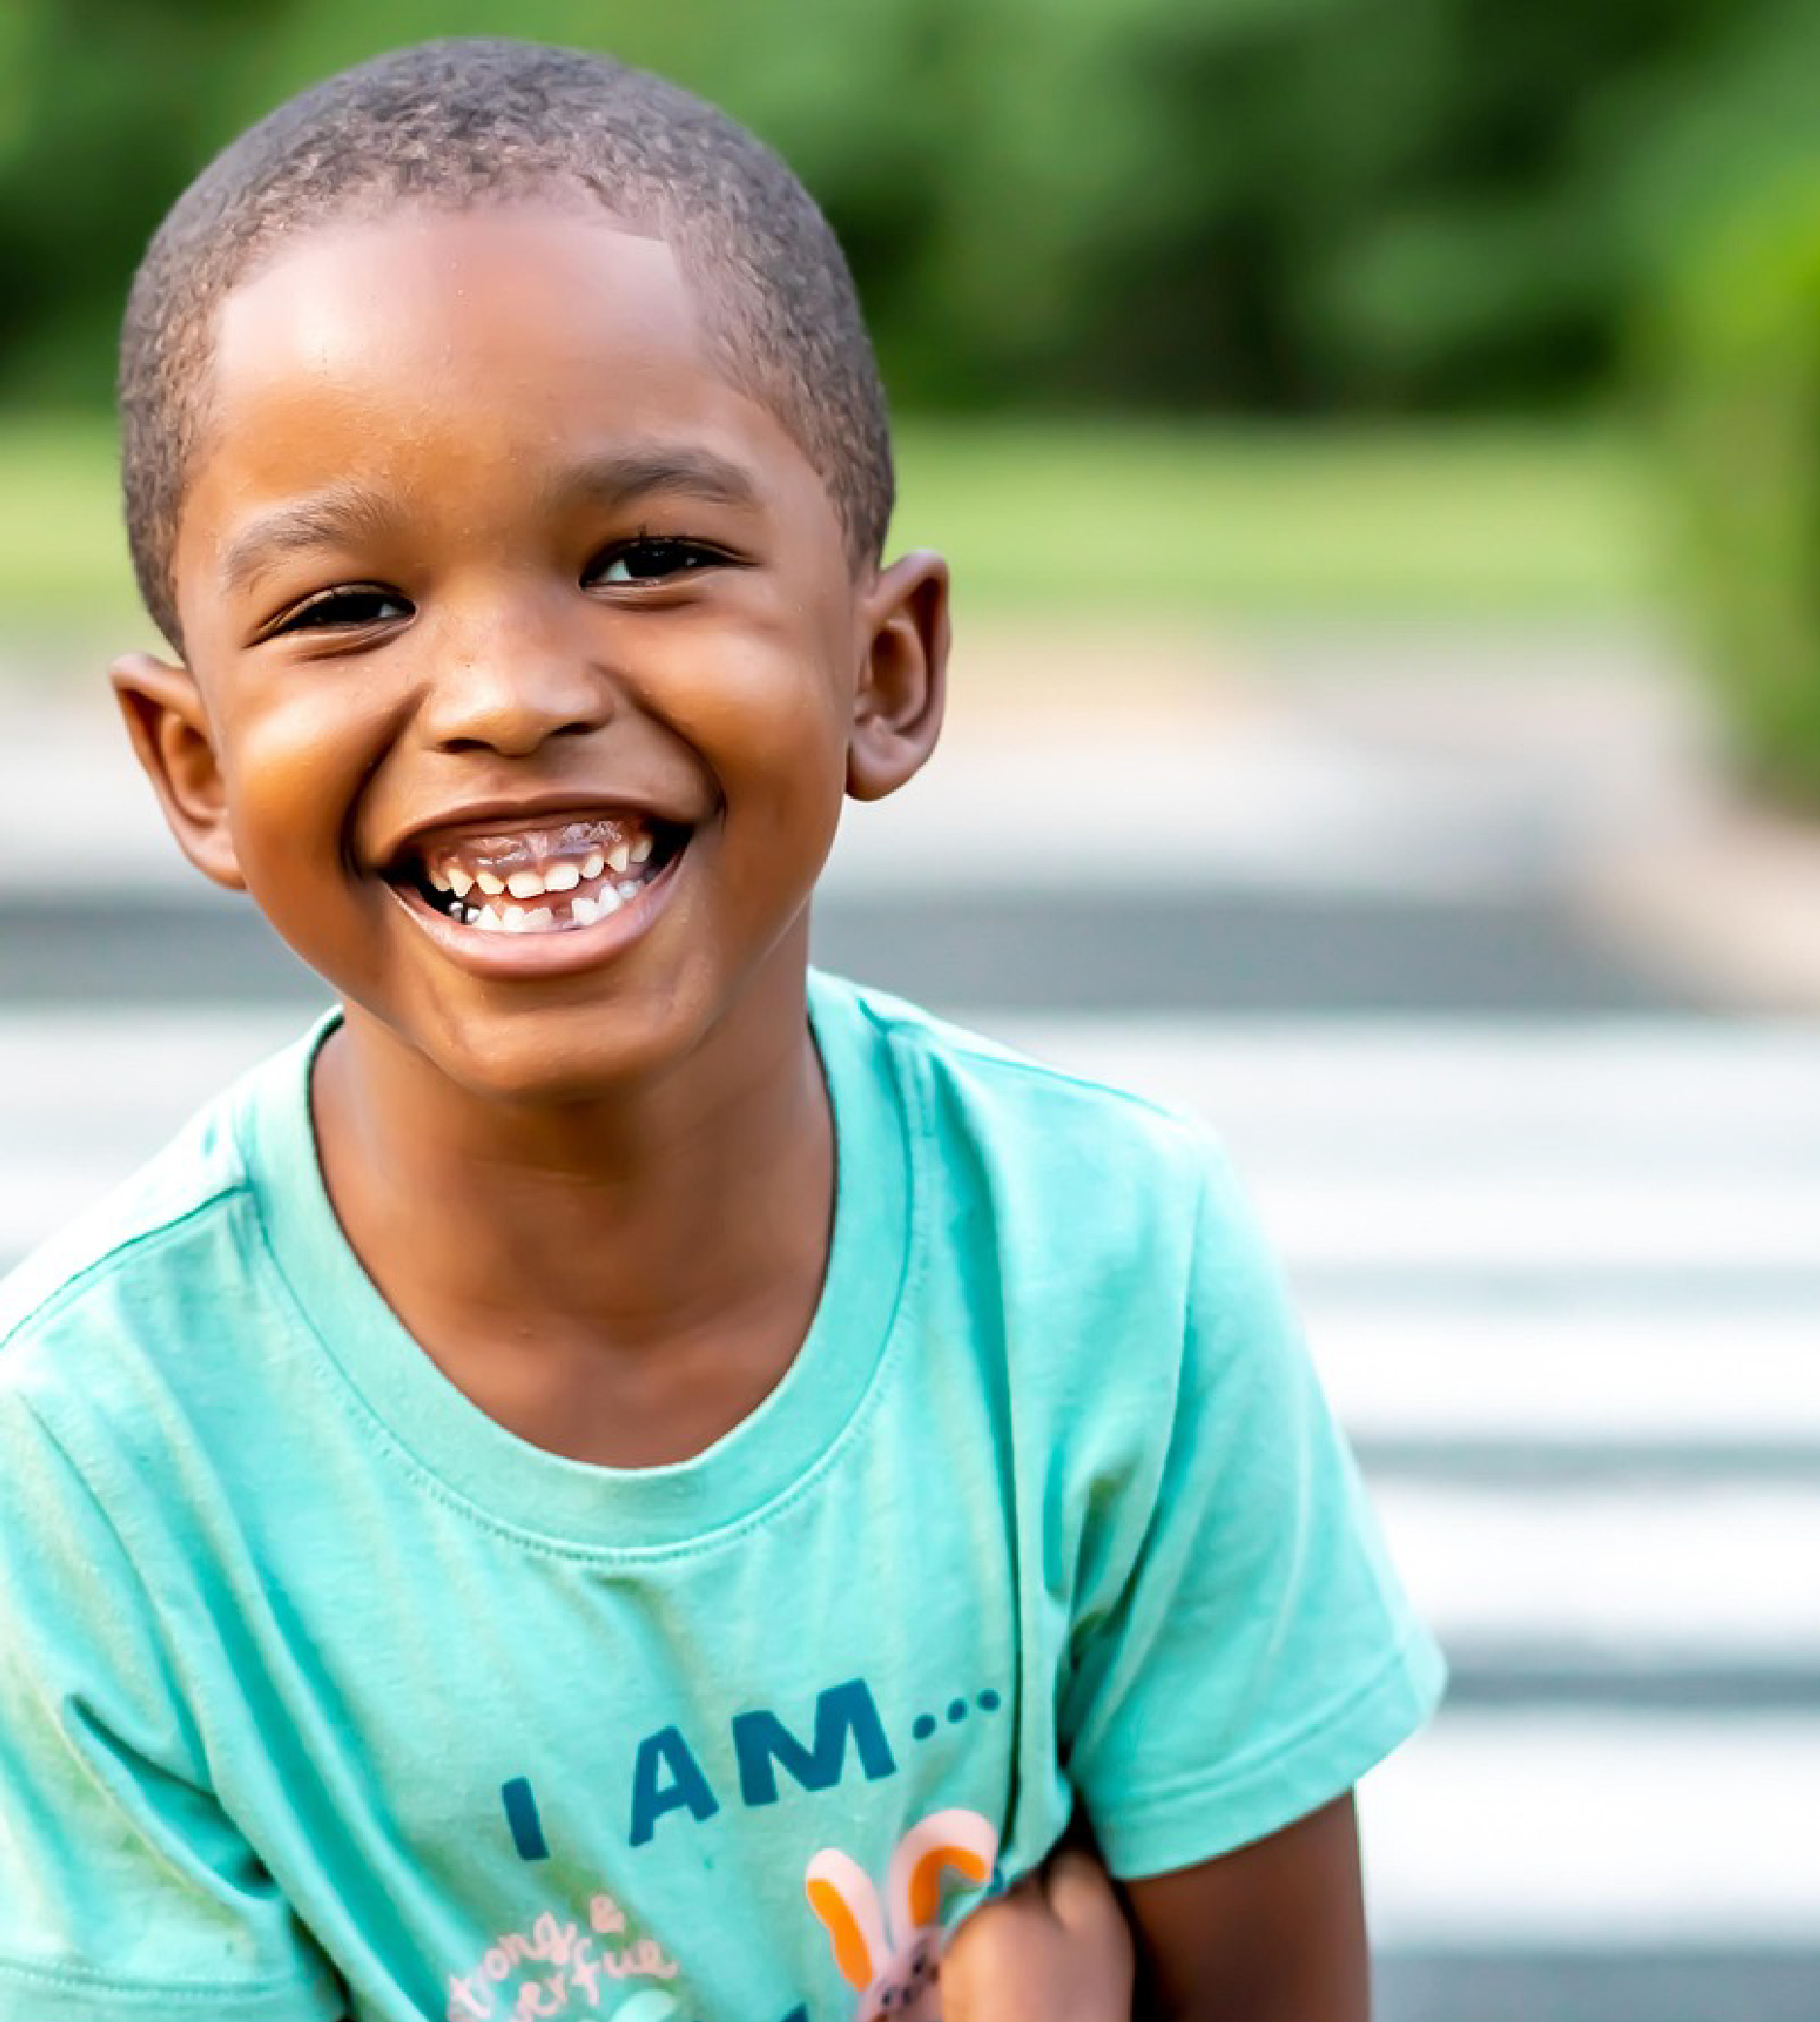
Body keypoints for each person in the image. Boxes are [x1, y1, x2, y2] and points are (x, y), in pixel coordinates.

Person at [0, 38, 1444, 2022]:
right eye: (347, 606)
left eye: (647, 559)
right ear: (194, 764)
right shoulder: (91, 1463)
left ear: (884, 665)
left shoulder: (1107, 1270)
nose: (509, 690)